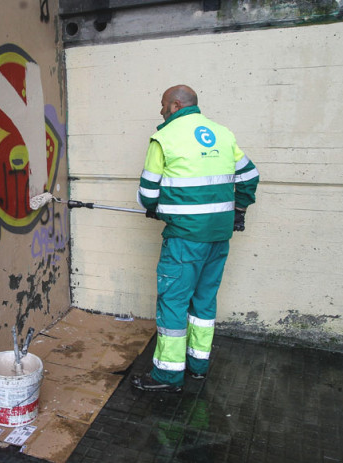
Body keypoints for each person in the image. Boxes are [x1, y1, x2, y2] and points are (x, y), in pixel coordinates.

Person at [131, 85, 259, 392]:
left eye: (163, 105)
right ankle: (198, 366)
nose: (160, 111)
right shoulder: (223, 134)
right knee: (204, 300)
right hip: (219, 236)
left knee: (173, 301)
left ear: (176, 105)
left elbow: (147, 194)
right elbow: (250, 176)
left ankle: (167, 375)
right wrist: (239, 210)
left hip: (185, 238)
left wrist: (155, 207)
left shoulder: (165, 137)